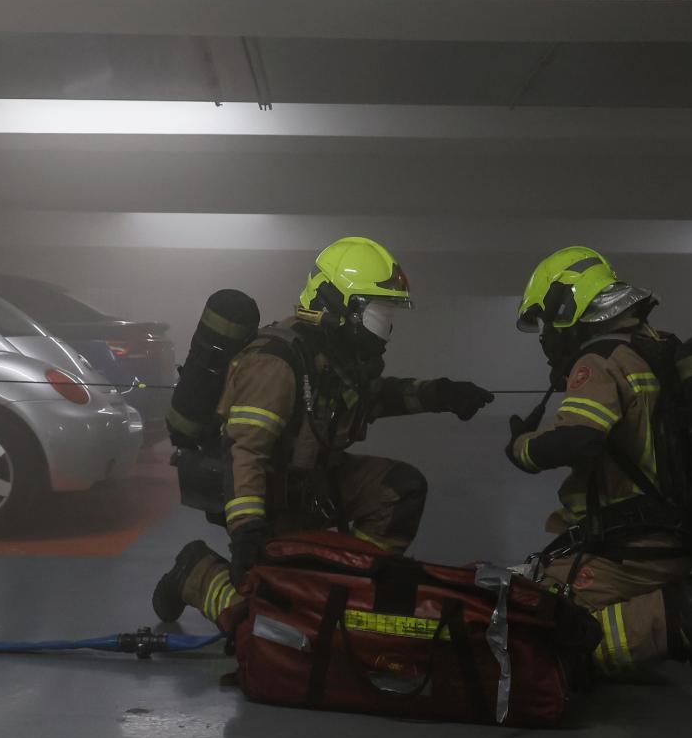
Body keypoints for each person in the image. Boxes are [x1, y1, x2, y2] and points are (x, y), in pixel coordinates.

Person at [152, 237, 495, 627]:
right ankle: (194, 572)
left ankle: (342, 585)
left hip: (311, 480)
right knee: (265, 618)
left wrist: (439, 394)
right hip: (262, 493)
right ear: (339, 306)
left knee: (400, 490)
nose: (386, 326)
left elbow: (368, 399)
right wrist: (248, 531)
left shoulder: (334, 356)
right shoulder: (276, 362)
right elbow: (245, 454)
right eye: (379, 312)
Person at [505, 246, 692, 699]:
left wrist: (521, 448)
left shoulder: (600, 361)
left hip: (630, 549)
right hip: (679, 539)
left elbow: (578, 438)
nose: (544, 336)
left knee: (534, 633)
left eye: (543, 320)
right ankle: (686, 604)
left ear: (565, 307)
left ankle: (678, 619)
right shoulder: (661, 350)